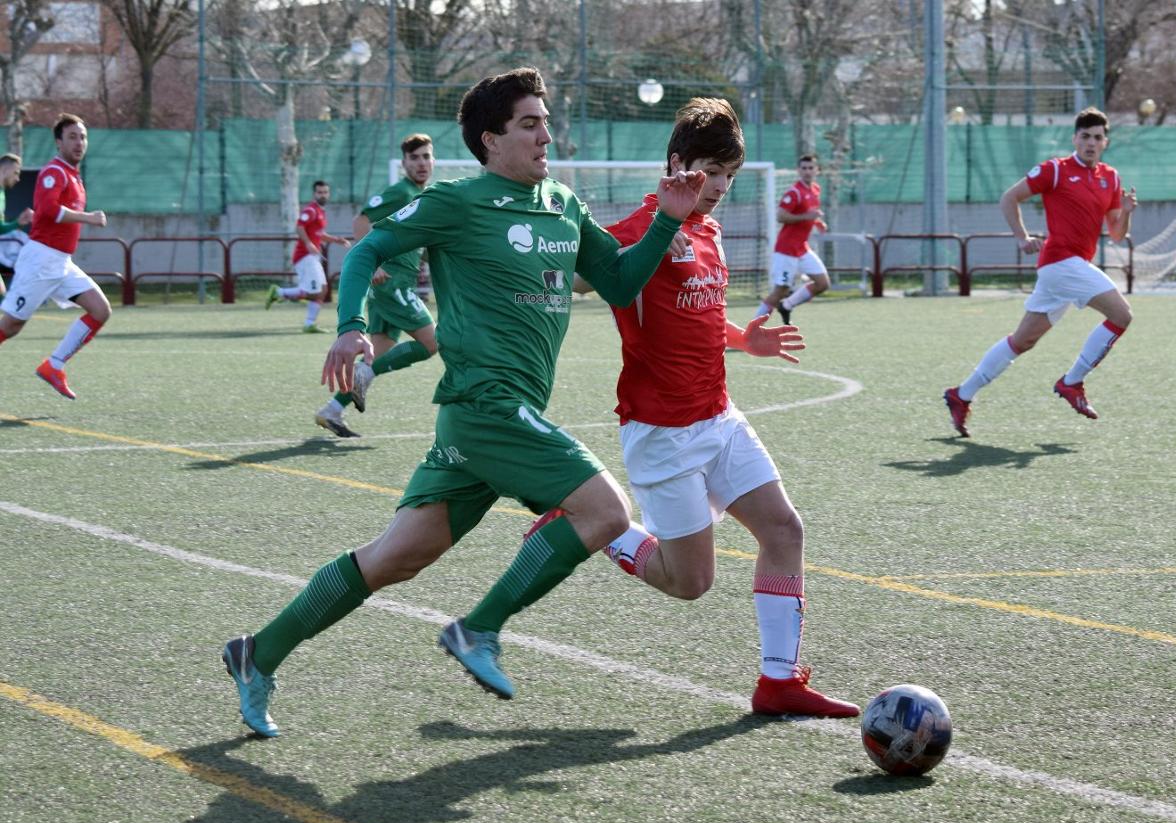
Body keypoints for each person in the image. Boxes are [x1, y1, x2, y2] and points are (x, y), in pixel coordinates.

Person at [222, 66, 705, 737]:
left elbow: (620, 285)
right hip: (486, 404)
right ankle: (478, 629)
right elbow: (366, 251)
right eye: (529, 124)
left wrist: (666, 223)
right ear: (491, 139)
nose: (546, 135)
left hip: (492, 419)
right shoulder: (457, 203)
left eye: (546, 121)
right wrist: (353, 330)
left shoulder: (564, 204)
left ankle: (257, 653)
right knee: (606, 509)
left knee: (397, 556)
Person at [562, 99, 858, 718]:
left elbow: (695, 313)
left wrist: (745, 338)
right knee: (689, 582)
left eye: (729, 174)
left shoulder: (710, 227)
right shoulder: (644, 226)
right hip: (661, 432)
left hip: (718, 417)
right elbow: (586, 279)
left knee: (784, 528)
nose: (720, 187)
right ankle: (598, 528)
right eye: (708, 171)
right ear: (676, 164)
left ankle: (778, 682)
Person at [943, 107, 1136, 437]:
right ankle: (1072, 382)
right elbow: (1009, 198)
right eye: (1085, 136)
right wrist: (1022, 236)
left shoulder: (1111, 177)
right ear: (1075, 139)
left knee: (1023, 341)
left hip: (1068, 269)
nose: (1091, 142)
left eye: (1097, 137)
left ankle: (961, 395)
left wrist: (1127, 212)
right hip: (1061, 261)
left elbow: (1117, 233)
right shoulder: (1056, 170)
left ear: (1106, 142)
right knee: (1122, 315)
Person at [315, 134, 440, 438]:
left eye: (426, 156)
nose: (422, 163)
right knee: (433, 343)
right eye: (415, 158)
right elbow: (361, 222)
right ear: (404, 163)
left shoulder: (420, 193)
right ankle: (364, 374)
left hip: (397, 282)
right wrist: (375, 265)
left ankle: (331, 410)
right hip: (392, 283)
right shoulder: (400, 190)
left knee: (378, 350)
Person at [0, 114, 109, 400]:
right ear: (59, 142)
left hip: (61, 262)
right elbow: (49, 210)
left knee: (100, 310)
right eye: (72, 136)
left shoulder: (74, 175)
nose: (79, 142)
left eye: (82, 137)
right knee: (11, 326)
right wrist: (89, 218)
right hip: (40, 260)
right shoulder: (55, 172)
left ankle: (54, 366)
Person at [266, 180, 351, 333]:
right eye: (320, 192)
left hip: (312, 257)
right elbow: (299, 227)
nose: (323, 195)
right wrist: (308, 244)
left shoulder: (320, 211)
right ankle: (279, 293)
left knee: (323, 290)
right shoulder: (311, 210)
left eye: (325, 192)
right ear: (314, 194)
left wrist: (336, 240)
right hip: (305, 257)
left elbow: (319, 234)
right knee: (315, 292)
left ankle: (309, 324)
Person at [755, 154, 829, 325]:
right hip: (786, 250)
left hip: (802, 249)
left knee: (822, 283)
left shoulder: (815, 189)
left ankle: (787, 306)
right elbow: (781, 216)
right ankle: (751, 331)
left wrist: (816, 222)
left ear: (817, 170)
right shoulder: (794, 192)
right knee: (780, 290)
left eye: (811, 168)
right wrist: (807, 216)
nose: (807, 171)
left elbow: (807, 215)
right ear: (798, 170)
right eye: (804, 168)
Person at [0, 152, 35, 295]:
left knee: (3, 297)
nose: (18, 178)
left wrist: (17, 223)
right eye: (16, 172)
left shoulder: (2, 193)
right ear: (4, 170)